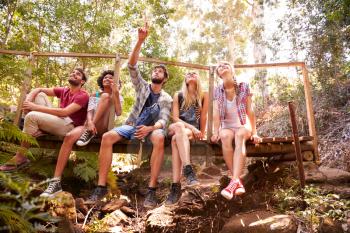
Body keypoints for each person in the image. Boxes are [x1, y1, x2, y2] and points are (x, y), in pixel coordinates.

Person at [86, 23, 172, 208]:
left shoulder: (166, 97)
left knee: (158, 137)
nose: (156, 72)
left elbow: (163, 120)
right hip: (132, 125)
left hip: (151, 130)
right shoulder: (142, 87)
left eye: (160, 71)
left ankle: (151, 190)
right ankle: (101, 187)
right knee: (107, 137)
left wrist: (150, 128)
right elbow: (132, 65)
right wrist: (140, 41)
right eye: (154, 70)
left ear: (165, 79)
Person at [40, 70, 123, 197]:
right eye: (105, 77)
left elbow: (118, 112)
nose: (107, 78)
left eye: (111, 78)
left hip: (103, 128)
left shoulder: (116, 95)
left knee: (106, 96)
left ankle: (89, 131)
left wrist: (115, 93)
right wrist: (89, 122)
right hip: (89, 125)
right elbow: (89, 111)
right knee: (69, 137)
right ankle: (55, 182)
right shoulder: (95, 94)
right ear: (101, 80)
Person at [0, 68, 89, 172]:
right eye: (73, 72)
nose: (74, 74)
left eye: (78, 74)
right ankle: (39, 128)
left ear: (82, 81)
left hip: (69, 126)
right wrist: (28, 101)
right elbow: (39, 89)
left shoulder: (83, 95)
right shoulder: (65, 90)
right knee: (39, 94)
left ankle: (21, 157)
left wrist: (34, 107)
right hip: (58, 120)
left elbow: (64, 112)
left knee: (32, 116)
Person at [211, 61, 260, 200]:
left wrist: (255, 132)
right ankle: (236, 181)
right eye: (219, 66)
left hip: (243, 124)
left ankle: (233, 182)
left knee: (239, 136)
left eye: (226, 64)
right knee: (225, 136)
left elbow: (250, 110)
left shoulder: (244, 86)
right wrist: (216, 132)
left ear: (232, 70)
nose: (223, 66)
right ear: (219, 74)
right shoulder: (217, 90)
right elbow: (215, 113)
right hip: (226, 126)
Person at [164, 71, 208, 206]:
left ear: (199, 78)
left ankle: (175, 187)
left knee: (175, 140)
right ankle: (188, 170)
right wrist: (194, 129)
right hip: (178, 126)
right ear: (185, 79)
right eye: (188, 74)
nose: (191, 74)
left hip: (189, 132)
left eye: (194, 73)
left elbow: (204, 117)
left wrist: (201, 131)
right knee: (178, 128)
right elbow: (175, 118)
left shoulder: (203, 95)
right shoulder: (179, 95)